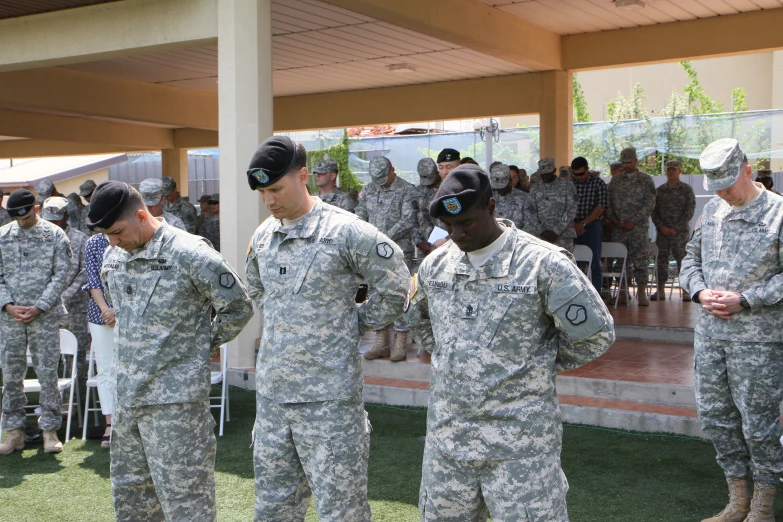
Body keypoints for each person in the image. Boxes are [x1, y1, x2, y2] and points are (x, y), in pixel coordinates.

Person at [404, 163, 615, 521]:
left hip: (520, 445)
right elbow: (420, 322)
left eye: (466, 223)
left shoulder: (542, 264)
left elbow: (595, 335)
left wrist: (534, 363)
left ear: (490, 208)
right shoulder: (435, 266)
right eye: (449, 226)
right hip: (449, 440)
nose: (456, 234)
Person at [244, 136, 410, 521]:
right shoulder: (265, 235)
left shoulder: (345, 231)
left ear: (303, 176)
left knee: (341, 510)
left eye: (276, 189)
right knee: (273, 509)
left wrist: (351, 323)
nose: (269, 201)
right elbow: (257, 287)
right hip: (274, 399)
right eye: (263, 192)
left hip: (329, 401)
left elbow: (397, 284)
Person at [87, 181, 253, 521]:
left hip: (175, 405)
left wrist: (197, 347)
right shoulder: (114, 253)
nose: (113, 241)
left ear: (142, 215)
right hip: (128, 399)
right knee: (132, 500)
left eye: (117, 231)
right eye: (107, 235)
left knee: (187, 504)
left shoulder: (189, 252)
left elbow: (238, 307)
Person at [681, 139, 783, 522]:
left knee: (759, 424)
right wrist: (699, 290)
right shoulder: (713, 211)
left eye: (728, 182)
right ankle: (738, 501)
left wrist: (748, 298)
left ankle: (764, 506)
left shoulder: (778, 214)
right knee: (716, 418)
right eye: (716, 185)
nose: (723, 191)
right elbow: (689, 260)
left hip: (759, 341)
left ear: (748, 170)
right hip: (711, 338)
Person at [0, 190, 72, 455]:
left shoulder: (54, 235)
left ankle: (49, 431)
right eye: (17, 217)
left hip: (44, 315)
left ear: (37, 208)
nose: (22, 221)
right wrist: (8, 305)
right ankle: (14, 432)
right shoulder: (3, 236)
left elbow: (62, 273)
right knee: (10, 375)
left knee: (47, 374)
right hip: (10, 318)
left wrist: (40, 305)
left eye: (27, 215)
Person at [356, 156, 418, 361]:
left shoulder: (407, 190)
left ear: (392, 169)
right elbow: (360, 214)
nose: (380, 181)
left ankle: (400, 343)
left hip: (399, 252)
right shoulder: (370, 189)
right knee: (376, 294)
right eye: (377, 178)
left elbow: (408, 219)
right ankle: (381, 342)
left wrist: (384, 239)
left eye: (383, 176)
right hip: (374, 253)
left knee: (401, 293)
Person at [41, 197, 91, 397]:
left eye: (56, 220)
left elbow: (85, 271)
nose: (53, 224)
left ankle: (74, 401)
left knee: (76, 357)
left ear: (67, 217)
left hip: (74, 308)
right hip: (45, 307)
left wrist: (63, 295)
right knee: (47, 355)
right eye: (49, 220)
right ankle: (50, 401)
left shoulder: (80, 239)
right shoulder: (39, 240)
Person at [605, 147, 656, 306]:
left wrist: (634, 220)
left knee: (640, 261)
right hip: (619, 228)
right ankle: (622, 293)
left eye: (628, 162)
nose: (626, 165)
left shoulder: (645, 179)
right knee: (620, 262)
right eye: (623, 162)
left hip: (638, 228)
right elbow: (608, 203)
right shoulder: (616, 181)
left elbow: (650, 203)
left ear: (635, 160)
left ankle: (641, 293)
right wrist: (615, 221)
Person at [83, 231, 116, 449]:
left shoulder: (136, 236)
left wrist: (118, 310)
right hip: (100, 315)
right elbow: (93, 279)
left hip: (133, 313)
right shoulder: (95, 242)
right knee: (105, 369)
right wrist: (106, 309)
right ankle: (110, 424)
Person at [650, 160, 696, 302]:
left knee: (682, 260)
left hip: (680, 233)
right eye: (669, 169)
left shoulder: (686, 189)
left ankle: (686, 290)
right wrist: (662, 227)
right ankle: (660, 290)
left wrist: (676, 228)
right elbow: (654, 211)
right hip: (663, 233)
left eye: (674, 169)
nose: (671, 172)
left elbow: (689, 211)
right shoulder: (660, 191)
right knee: (661, 261)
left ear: (679, 171)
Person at [571, 157, 608, 294]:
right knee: (573, 261)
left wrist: (583, 223)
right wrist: (574, 224)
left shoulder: (598, 183)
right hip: (572, 225)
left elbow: (601, 207)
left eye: (581, 173)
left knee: (594, 262)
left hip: (592, 226)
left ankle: (596, 294)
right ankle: (575, 293)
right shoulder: (570, 184)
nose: (579, 177)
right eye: (576, 174)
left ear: (587, 169)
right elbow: (565, 206)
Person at [528, 158, 578, 252]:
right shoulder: (535, 188)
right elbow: (531, 212)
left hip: (563, 237)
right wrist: (541, 231)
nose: (544, 176)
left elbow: (571, 210)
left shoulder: (567, 186)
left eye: (547, 173)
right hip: (541, 237)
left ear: (554, 170)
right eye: (542, 173)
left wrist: (557, 231)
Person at [413, 157, 442, 262]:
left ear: (437, 173)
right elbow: (413, 219)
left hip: (443, 245)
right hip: (423, 247)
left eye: (431, 179)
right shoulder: (418, 191)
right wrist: (418, 241)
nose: (428, 183)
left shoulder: (447, 189)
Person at [490, 162, 530, 231]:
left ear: (510, 180)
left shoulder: (524, 198)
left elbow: (531, 225)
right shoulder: (489, 198)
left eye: (502, 186)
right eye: (496, 186)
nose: (499, 189)